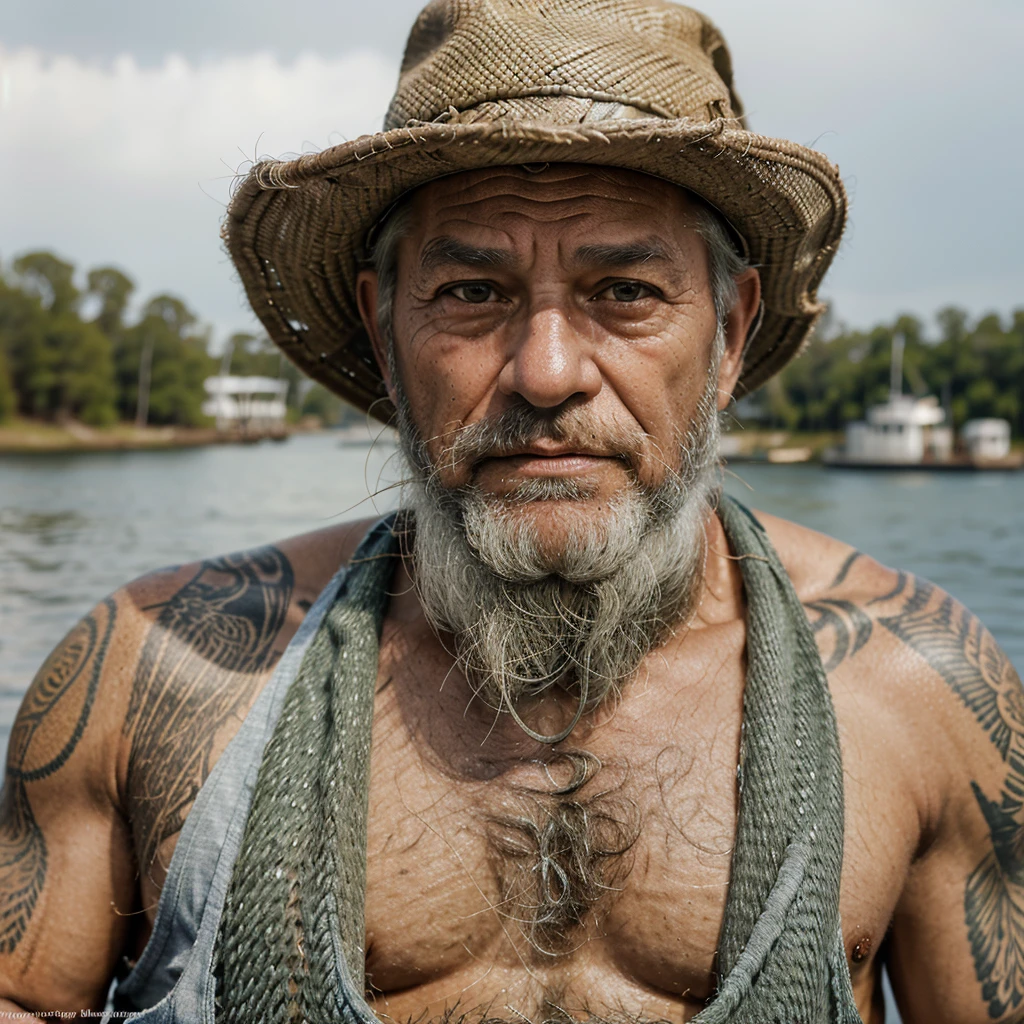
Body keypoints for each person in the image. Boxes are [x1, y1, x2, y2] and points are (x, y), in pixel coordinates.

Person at [0, 1, 1020, 1021]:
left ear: (732, 332)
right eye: (470, 291)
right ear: (383, 326)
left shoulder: (916, 691)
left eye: (622, 290)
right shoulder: (159, 670)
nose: (545, 372)